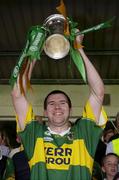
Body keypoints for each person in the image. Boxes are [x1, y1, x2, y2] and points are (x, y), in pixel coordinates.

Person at [11, 30, 107, 180]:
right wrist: (36, 49)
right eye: (51, 103)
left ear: (70, 109)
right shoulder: (34, 133)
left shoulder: (84, 132)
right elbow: (17, 94)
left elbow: (98, 92)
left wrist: (79, 48)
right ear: (44, 111)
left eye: (62, 103)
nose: (57, 107)